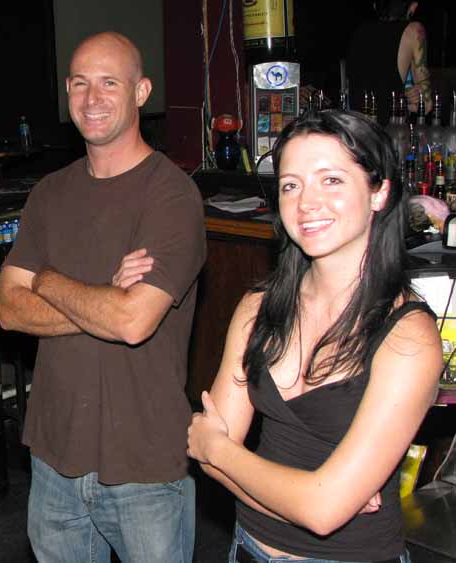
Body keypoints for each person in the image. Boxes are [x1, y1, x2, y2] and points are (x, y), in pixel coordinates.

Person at [187, 109, 442, 562]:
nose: (306, 202)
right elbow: (205, 458)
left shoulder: (408, 337)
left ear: (379, 192)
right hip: (246, 547)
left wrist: (220, 450)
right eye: (291, 185)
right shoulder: (258, 308)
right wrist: (313, 497)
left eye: (331, 180)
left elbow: (321, 512)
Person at [0, 32, 206, 562]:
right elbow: (8, 308)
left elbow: (132, 322)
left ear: (141, 92)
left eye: (109, 83)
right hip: (53, 456)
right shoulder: (49, 193)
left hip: (144, 464)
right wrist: (105, 297)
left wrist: (48, 280)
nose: (92, 98)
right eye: (80, 83)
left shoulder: (172, 195)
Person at [346, 0, 432, 123]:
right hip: (390, 129)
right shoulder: (414, 30)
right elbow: (426, 105)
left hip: (354, 127)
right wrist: (407, 101)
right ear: (413, 7)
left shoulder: (358, 30)